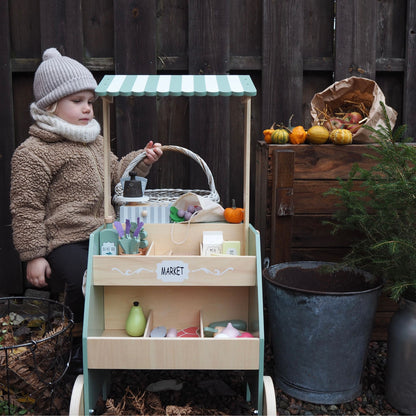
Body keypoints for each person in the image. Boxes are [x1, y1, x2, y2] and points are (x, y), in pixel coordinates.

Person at [10, 48, 162, 328]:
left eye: (90, 102)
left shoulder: (93, 141)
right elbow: (26, 208)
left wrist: (141, 159)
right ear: (50, 105)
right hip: (65, 240)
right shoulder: (33, 152)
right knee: (86, 278)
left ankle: (119, 329)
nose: (87, 109)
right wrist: (34, 256)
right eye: (77, 100)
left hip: (104, 230)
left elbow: (117, 174)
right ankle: (78, 342)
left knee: (130, 269)